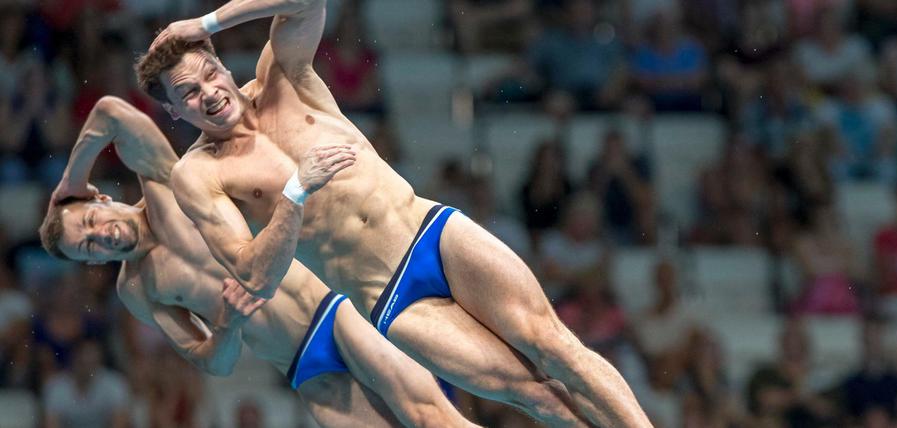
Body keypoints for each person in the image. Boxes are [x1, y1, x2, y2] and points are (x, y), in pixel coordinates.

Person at [141, 0, 650, 425]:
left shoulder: (281, 77)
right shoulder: (199, 174)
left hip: (432, 232)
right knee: (529, 392)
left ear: (223, 64)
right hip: (390, 300)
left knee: (554, 345)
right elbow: (253, 274)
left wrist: (205, 23)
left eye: (209, 74)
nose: (207, 93)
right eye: (187, 93)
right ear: (173, 111)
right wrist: (296, 192)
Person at [38, 96, 474, 428]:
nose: (100, 236)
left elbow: (111, 111)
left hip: (332, 309)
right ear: (89, 264)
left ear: (100, 197)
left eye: (91, 221)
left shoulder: (165, 186)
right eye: (88, 248)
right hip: (301, 364)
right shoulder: (136, 288)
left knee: (429, 417)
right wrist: (226, 326)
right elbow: (213, 362)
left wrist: (70, 180)